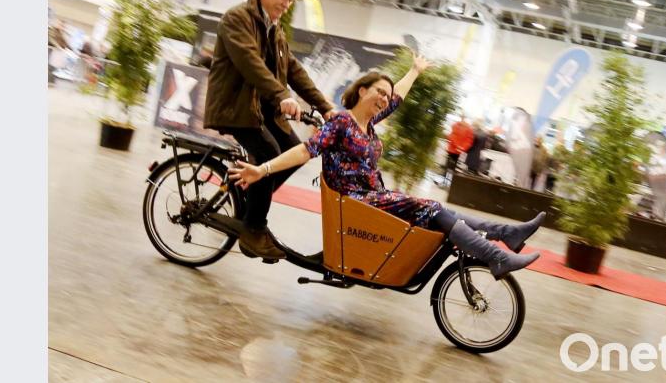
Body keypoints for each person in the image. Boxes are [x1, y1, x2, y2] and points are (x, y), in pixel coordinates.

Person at [229, 55, 544, 280]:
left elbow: (397, 100)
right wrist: (263, 170)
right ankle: (498, 254)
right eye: (379, 91)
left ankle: (507, 235)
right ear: (362, 90)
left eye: (386, 94)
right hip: (354, 199)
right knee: (433, 208)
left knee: (438, 213)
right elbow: (305, 150)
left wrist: (415, 71)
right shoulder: (341, 121)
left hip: (373, 197)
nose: (385, 98)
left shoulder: (368, 123)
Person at [204, 0, 337, 260]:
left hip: (260, 110)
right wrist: (281, 96)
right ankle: (253, 230)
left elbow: (293, 70)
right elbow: (251, 64)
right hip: (235, 107)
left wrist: (326, 107)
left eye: (291, 1)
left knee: (294, 151)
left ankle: (252, 207)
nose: (287, 5)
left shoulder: (274, 29)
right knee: (269, 152)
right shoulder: (237, 19)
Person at [441, 116, 473, 185]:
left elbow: (451, 137)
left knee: (448, 164)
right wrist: (462, 148)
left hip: (452, 149)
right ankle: (450, 182)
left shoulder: (455, 125)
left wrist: (457, 146)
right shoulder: (469, 129)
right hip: (459, 151)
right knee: (454, 166)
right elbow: (469, 141)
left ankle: (444, 181)